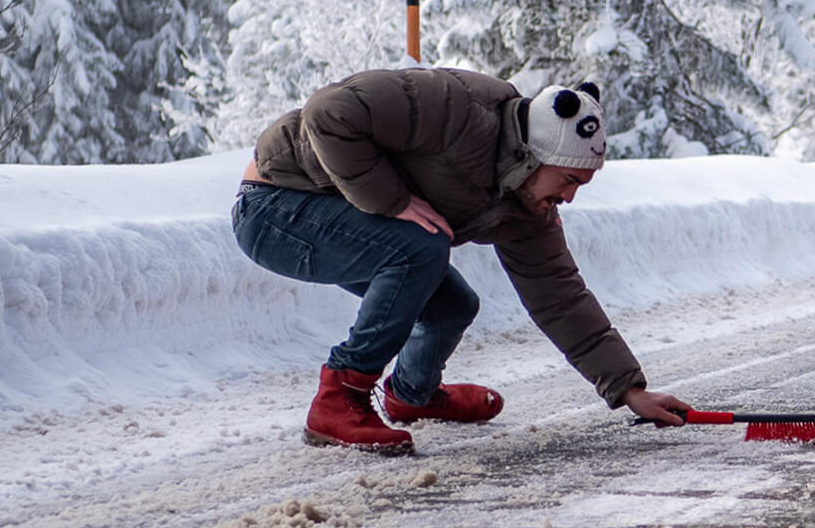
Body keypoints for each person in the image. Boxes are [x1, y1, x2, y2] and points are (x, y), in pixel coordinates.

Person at [230, 67, 691, 454]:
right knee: (420, 248)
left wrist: (631, 391)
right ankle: (339, 398)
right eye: (568, 180)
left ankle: (412, 394)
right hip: (274, 206)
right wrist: (389, 201)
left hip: (327, 216)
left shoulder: (529, 207)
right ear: (536, 156)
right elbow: (328, 111)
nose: (569, 198)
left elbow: (561, 298)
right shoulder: (457, 108)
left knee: (451, 304)